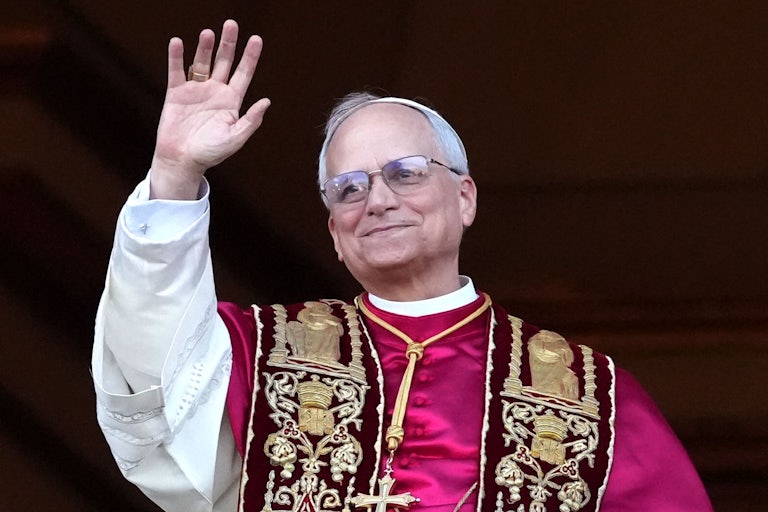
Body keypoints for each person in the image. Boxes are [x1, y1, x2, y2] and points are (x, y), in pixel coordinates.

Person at [91, 19, 713, 512]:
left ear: (465, 197)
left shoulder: (591, 396)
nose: (379, 200)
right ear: (334, 231)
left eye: (406, 174)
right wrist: (176, 172)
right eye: (350, 188)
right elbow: (154, 381)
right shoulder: (257, 354)